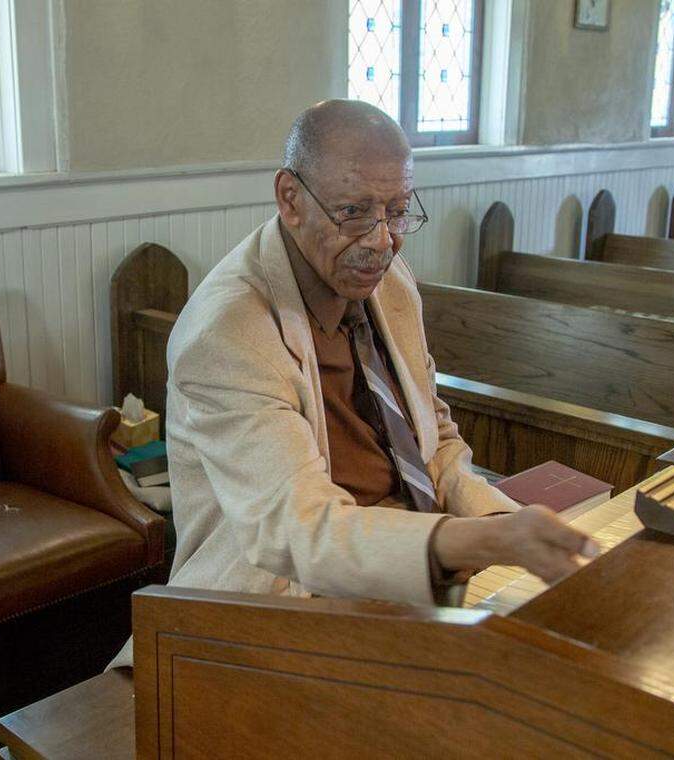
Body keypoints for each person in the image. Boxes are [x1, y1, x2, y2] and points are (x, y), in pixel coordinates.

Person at [109, 100, 596, 668]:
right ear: (290, 199)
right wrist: (481, 543)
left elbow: (431, 435)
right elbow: (298, 531)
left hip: (412, 562)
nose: (383, 240)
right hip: (280, 602)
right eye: (355, 211)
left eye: (396, 209)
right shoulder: (226, 333)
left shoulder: (386, 282)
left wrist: (498, 520)